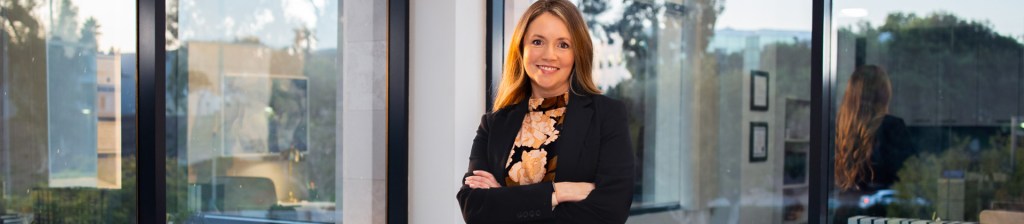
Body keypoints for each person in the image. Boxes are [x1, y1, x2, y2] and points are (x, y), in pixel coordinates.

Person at [455, 0, 635, 223]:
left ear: (577, 53)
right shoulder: (493, 124)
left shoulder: (607, 115)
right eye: (538, 41)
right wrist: (560, 192)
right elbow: (474, 209)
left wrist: (503, 198)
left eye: (563, 45)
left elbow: (611, 210)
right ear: (522, 48)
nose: (549, 55)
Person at [834, 65, 915, 218]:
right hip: (880, 213)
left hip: (846, 212)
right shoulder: (891, 127)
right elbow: (910, 173)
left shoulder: (839, 130)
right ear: (883, 94)